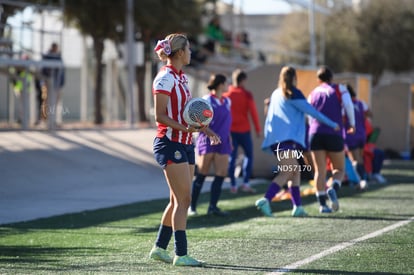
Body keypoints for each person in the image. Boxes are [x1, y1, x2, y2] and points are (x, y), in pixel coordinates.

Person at [149, 33, 221, 267]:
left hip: (185, 143)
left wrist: (205, 129)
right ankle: (181, 254)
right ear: (179, 53)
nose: (191, 53)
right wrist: (185, 129)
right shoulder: (165, 78)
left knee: (176, 200)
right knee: (184, 199)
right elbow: (159, 116)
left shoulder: (182, 78)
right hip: (170, 143)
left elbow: (187, 112)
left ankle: (160, 248)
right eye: (189, 49)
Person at [256, 66, 339, 217]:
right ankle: (266, 199)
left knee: (295, 171)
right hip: (287, 140)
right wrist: (333, 124)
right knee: (289, 169)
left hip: (278, 140)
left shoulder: (276, 93)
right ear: (295, 78)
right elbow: (312, 112)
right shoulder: (294, 93)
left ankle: (297, 207)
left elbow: (269, 116)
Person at [308, 66, 355, 213]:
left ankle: (322, 205)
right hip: (334, 133)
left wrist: (313, 128)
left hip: (315, 133)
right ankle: (333, 188)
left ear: (318, 79)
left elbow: (309, 114)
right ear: (331, 77)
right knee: (339, 169)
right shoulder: (340, 89)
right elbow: (348, 105)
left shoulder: (313, 92)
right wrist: (352, 124)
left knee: (319, 171)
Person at [189, 74, 232, 217]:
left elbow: (227, 124)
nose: (228, 86)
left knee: (221, 174)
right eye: (226, 83)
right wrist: (210, 134)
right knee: (202, 174)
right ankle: (192, 207)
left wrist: (228, 139)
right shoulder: (206, 100)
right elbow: (197, 121)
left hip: (223, 142)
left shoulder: (227, 101)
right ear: (220, 84)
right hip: (206, 141)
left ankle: (212, 207)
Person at [223, 69, 261, 194]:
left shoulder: (226, 96)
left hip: (231, 131)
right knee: (249, 156)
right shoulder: (247, 95)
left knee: (231, 158)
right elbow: (253, 113)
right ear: (243, 80)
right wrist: (258, 129)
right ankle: (245, 183)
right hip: (244, 130)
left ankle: (233, 185)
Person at [344, 84, 369, 189]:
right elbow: (369, 114)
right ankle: (364, 179)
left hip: (351, 134)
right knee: (360, 158)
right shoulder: (361, 103)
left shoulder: (344, 104)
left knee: (354, 159)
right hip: (362, 134)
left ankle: (360, 180)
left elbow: (342, 119)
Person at [41, 42, 65, 126]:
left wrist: (61, 83)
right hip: (48, 83)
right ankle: (45, 121)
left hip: (57, 85)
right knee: (46, 102)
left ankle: (53, 121)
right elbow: (44, 70)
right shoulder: (47, 56)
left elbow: (62, 72)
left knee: (55, 103)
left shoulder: (58, 57)